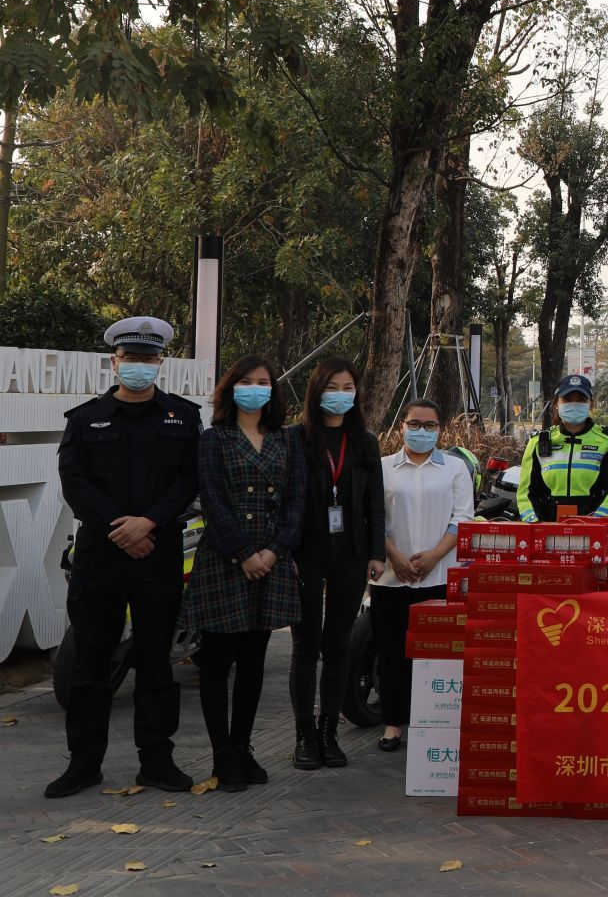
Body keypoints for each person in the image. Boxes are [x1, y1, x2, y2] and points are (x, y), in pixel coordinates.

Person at [47, 317, 202, 798]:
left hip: (157, 553)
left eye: (148, 359)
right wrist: (124, 528)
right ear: (114, 362)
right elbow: (75, 483)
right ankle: (83, 764)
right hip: (102, 553)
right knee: (91, 662)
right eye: (130, 358)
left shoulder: (183, 417)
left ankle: (156, 762)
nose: (139, 366)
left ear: (161, 363)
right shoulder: (84, 418)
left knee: (156, 662)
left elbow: (189, 480)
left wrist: (148, 523)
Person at [182, 356, 306, 792]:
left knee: (254, 661)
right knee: (218, 662)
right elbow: (212, 500)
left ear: (273, 390)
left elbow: (296, 502)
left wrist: (272, 552)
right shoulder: (214, 439)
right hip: (225, 560)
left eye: (263, 382)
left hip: (271, 561)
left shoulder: (286, 440)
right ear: (231, 388)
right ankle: (222, 754)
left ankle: (242, 746)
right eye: (246, 381)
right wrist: (244, 553)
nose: (255, 388)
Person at [288, 358, 384, 771]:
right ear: (316, 391)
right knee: (305, 645)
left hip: (351, 555)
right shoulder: (294, 438)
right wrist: (286, 552)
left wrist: (377, 552)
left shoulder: (364, 441)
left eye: (348, 388)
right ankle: (304, 735)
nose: (340, 395)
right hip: (304, 555)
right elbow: (284, 500)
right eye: (332, 387)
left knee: (339, 644)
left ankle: (329, 731)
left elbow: (374, 502)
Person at [372, 398, 474, 751]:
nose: (422, 431)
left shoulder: (454, 469)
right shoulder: (383, 468)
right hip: (391, 576)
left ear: (440, 429)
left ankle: (434, 722)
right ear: (401, 426)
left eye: (430, 425)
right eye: (414, 424)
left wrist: (433, 557)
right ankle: (393, 724)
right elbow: (373, 518)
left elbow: (462, 518)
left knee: (437, 656)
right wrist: (396, 557)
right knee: (391, 653)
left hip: (440, 576)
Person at [515, 373, 608, 522]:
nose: (574, 404)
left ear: (590, 404)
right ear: (556, 404)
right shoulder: (538, 442)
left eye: (581, 400)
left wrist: (597, 521)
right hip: (547, 524)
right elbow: (525, 492)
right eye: (567, 399)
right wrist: (535, 523)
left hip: (594, 524)